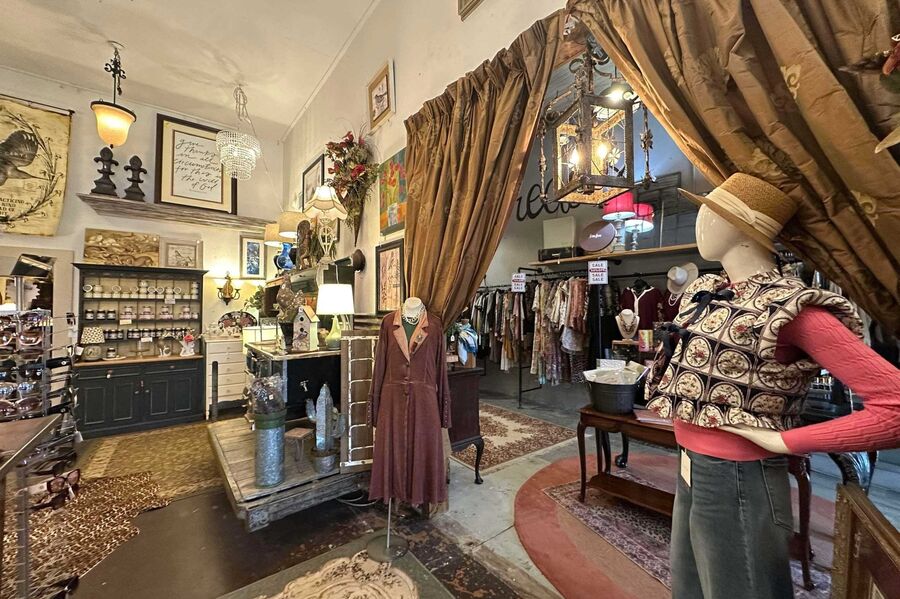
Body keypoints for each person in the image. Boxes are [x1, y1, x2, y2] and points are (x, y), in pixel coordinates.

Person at [644, 173, 900, 599]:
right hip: (692, 463)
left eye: (711, 212)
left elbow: (894, 404)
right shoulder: (711, 291)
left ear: (742, 227)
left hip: (738, 476)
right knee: (690, 589)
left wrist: (787, 441)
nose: (700, 220)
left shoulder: (791, 307)